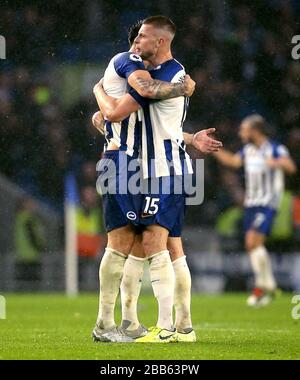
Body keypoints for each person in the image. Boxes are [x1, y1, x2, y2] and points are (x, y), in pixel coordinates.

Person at [94, 15, 222, 342]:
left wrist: (103, 104)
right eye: (135, 39)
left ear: (160, 42)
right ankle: (178, 326)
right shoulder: (144, 69)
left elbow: (122, 108)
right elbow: (131, 118)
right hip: (155, 167)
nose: (137, 44)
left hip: (160, 170)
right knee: (161, 245)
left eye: (143, 38)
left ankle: (163, 327)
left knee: (150, 243)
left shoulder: (166, 73)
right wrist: (191, 137)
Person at [213, 114, 296, 307]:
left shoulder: (274, 148)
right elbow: (233, 162)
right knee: (254, 246)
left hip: (267, 204)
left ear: (255, 130)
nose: (241, 132)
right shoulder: (248, 150)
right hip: (250, 204)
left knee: (252, 241)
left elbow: (290, 167)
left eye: (244, 128)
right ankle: (268, 286)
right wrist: (214, 149)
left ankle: (262, 287)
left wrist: (276, 163)